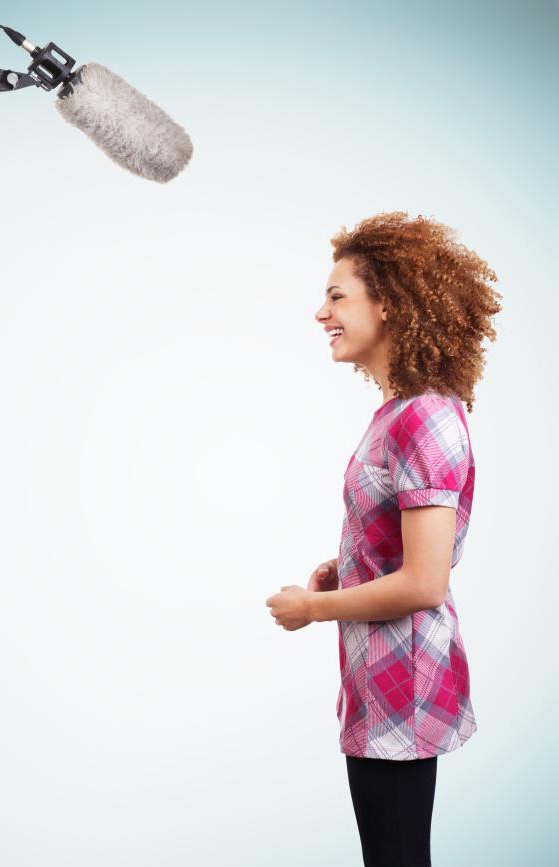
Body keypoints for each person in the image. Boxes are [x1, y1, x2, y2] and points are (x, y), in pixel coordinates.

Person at [264, 212, 501, 867]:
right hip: (379, 682)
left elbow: (425, 581)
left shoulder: (425, 416)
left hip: (404, 686)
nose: (321, 313)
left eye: (337, 296)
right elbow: (401, 546)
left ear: (389, 304)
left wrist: (312, 608)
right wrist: (350, 564)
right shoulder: (398, 413)